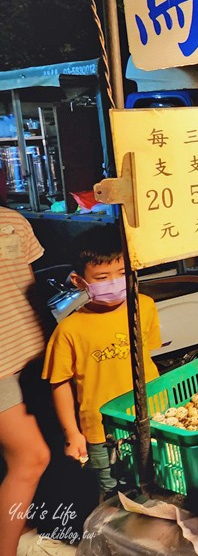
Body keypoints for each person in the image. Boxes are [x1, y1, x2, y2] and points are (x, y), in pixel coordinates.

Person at [42, 227, 161, 495]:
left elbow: (149, 358)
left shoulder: (145, 306)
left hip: (151, 415)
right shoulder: (69, 329)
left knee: (158, 483)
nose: (115, 282)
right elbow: (59, 383)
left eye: (122, 273)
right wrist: (72, 434)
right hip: (100, 432)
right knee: (113, 493)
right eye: (102, 277)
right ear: (78, 280)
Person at [0, 207, 50, 556]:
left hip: (34, 352)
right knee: (31, 457)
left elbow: (28, 290)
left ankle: (22, 528)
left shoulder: (13, 221)